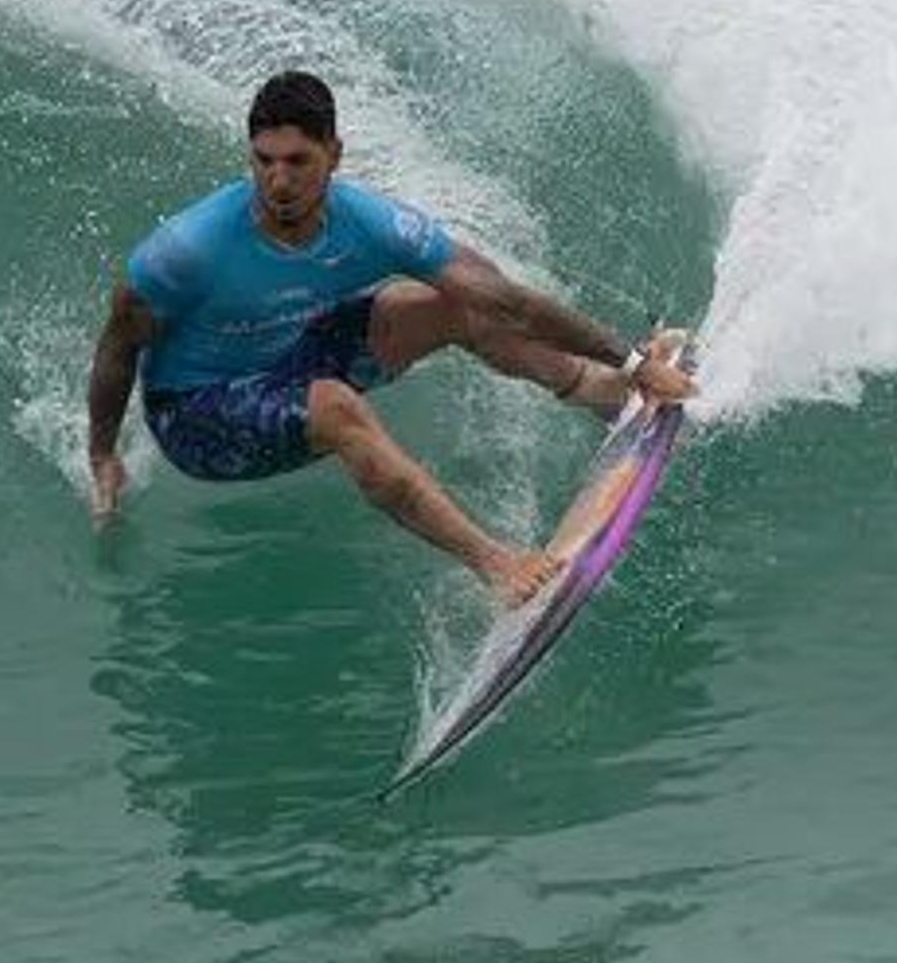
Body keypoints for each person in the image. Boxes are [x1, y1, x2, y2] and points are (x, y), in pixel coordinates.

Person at [85, 69, 695, 605]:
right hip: (198, 416)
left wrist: (634, 359)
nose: (278, 181)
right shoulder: (188, 251)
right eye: (263, 161)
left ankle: (603, 390)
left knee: (459, 303)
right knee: (335, 406)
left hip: (291, 353)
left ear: (335, 155)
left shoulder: (369, 223)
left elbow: (503, 300)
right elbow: (119, 345)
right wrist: (103, 454)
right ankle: (497, 565)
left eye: (298, 161)